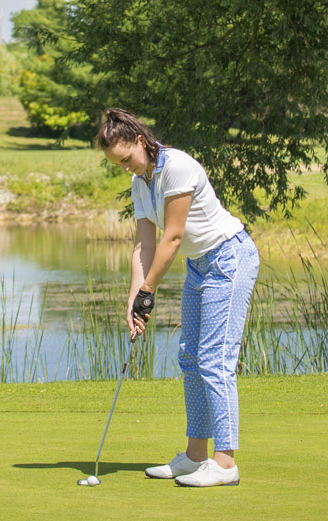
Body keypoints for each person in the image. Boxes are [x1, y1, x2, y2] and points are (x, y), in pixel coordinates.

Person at [95, 108, 260, 488]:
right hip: (201, 265)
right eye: (116, 164)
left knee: (216, 359)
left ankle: (225, 464)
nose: (124, 168)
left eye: (126, 159)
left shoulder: (177, 167)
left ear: (139, 140)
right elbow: (144, 244)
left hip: (230, 258)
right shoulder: (140, 182)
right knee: (190, 356)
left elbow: (172, 235)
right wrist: (134, 296)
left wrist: (150, 290)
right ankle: (195, 456)